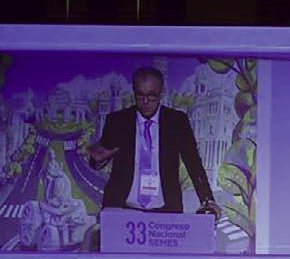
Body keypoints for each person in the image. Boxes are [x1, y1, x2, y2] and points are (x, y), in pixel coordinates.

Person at [88, 66, 219, 215]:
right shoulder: (117, 121)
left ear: (161, 93)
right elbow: (97, 161)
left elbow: (193, 163)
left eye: (151, 96)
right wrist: (98, 159)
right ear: (134, 92)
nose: (145, 101)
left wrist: (207, 199)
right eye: (140, 95)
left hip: (166, 210)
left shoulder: (177, 121)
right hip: (122, 208)